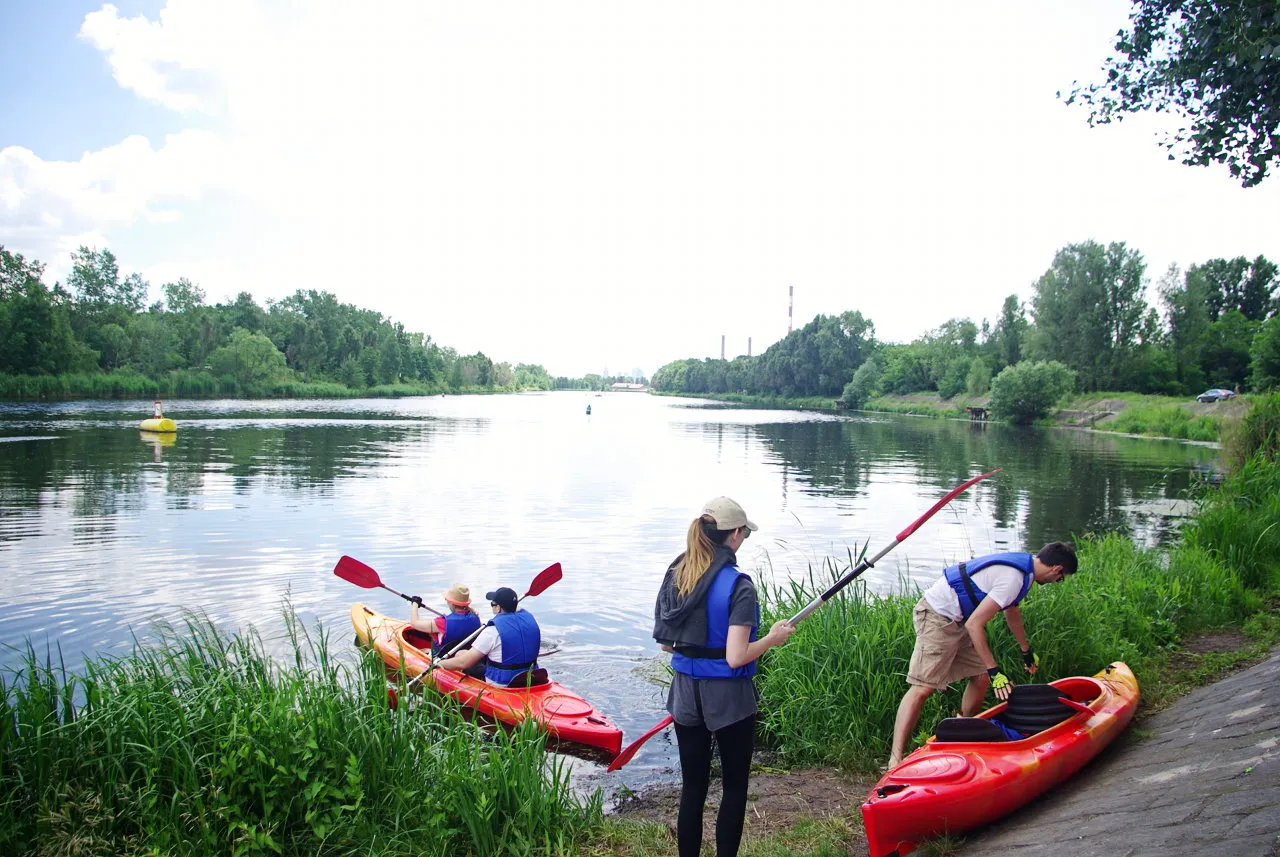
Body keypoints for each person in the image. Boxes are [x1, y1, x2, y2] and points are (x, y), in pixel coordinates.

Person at [652, 496, 796, 857]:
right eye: (744, 533)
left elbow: (667, 646)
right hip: (728, 698)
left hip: (685, 694)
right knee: (733, 786)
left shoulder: (678, 574)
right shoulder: (739, 586)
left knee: (693, 787)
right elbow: (735, 658)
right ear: (733, 535)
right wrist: (772, 639)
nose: (744, 538)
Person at [887, 541, 1079, 768]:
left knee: (981, 679)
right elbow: (976, 624)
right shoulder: (1014, 578)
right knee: (922, 688)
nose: (1058, 581)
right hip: (937, 616)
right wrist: (994, 668)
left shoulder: (1026, 574)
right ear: (1056, 569)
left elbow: (1012, 611)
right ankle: (894, 760)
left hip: (960, 620)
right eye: (1061, 577)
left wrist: (1026, 650)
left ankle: (958, 733)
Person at [434, 586, 543, 686]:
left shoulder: (492, 631)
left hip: (502, 683)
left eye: (492, 604)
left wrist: (438, 664)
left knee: (460, 654)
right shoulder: (530, 620)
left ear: (498, 608)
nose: (492, 607)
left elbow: (464, 663)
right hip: (531, 678)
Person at [409, 583, 484, 678]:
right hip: (464, 656)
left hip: (443, 661)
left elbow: (414, 623)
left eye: (447, 599)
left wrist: (415, 604)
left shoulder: (442, 623)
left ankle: (430, 655)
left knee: (429, 645)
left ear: (451, 602)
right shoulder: (476, 618)